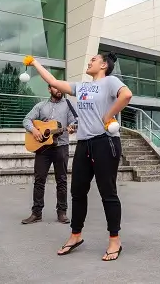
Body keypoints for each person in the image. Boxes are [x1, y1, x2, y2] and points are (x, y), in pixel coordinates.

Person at [26, 51, 131, 262]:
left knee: (107, 192)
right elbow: (54, 81)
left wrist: (108, 116)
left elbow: (126, 95)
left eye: (94, 59)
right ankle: (75, 235)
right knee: (77, 191)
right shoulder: (81, 87)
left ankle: (114, 240)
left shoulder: (110, 81)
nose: (90, 61)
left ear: (103, 65)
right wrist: (34, 62)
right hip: (84, 144)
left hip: (105, 141)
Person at [21, 84, 77, 225]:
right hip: (43, 149)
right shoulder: (40, 106)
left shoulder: (68, 105)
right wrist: (34, 131)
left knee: (62, 180)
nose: (59, 90)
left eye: (60, 88)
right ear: (49, 89)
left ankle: (62, 212)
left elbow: (75, 122)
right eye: (55, 87)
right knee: (39, 180)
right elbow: (26, 120)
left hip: (61, 147)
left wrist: (72, 128)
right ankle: (36, 213)